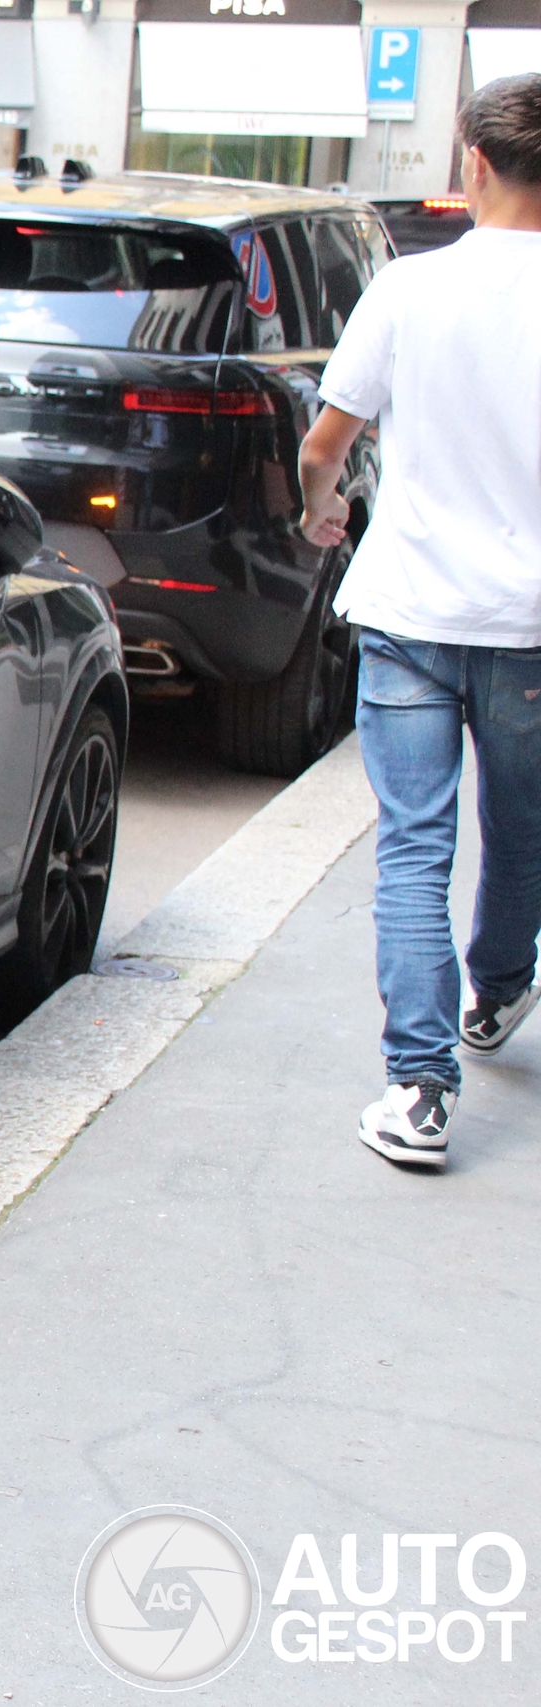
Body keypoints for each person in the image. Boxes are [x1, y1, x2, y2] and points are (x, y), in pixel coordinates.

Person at [297, 72, 541, 1170]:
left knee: (413, 845)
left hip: (407, 609)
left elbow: (325, 440)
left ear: (473, 162)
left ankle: (419, 1089)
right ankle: (497, 990)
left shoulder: (407, 290)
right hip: (529, 623)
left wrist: (321, 510)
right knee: (521, 832)